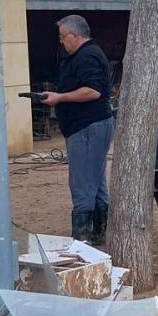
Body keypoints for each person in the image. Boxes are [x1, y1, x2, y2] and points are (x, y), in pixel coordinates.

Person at [39, 14, 114, 244]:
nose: (61, 42)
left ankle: (82, 239)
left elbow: (93, 91)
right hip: (88, 126)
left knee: (82, 182)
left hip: (87, 127)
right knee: (96, 181)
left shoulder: (87, 56)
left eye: (63, 37)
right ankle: (100, 232)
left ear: (75, 35)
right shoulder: (83, 55)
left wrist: (59, 97)